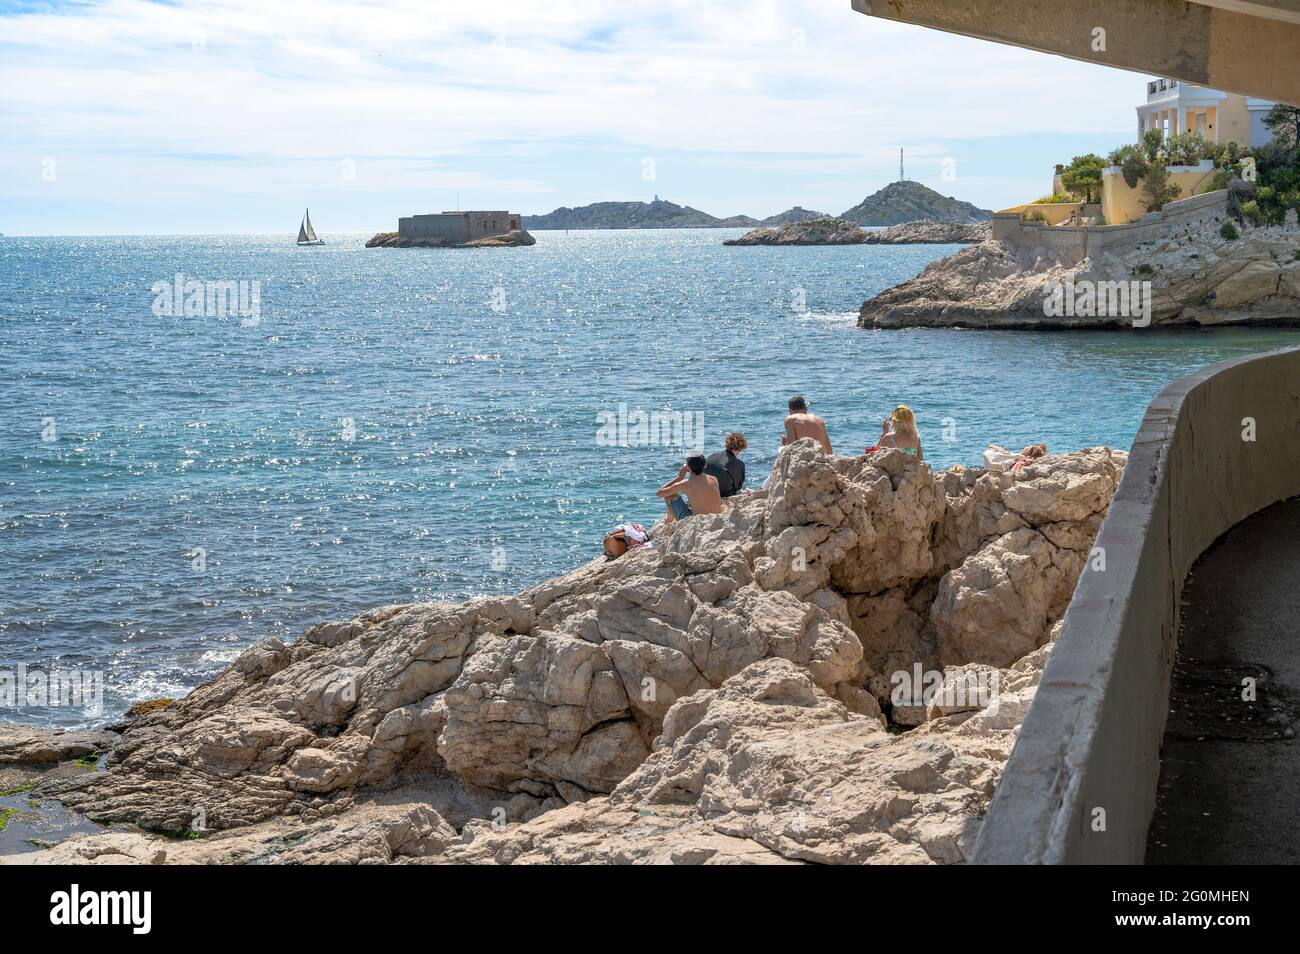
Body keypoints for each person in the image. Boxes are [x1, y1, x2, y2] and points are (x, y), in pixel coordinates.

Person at [656, 454, 722, 522]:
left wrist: (679, 478)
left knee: (669, 496)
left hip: (699, 522)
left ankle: (668, 521)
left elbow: (659, 493)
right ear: (705, 465)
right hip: (716, 519)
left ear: (688, 467)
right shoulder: (713, 479)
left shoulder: (685, 484)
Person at [704, 432, 747, 498]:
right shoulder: (739, 464)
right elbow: (738, 486)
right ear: (741, 447)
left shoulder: (712, 456)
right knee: (743, 490)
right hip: (722, 495)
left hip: (704, 492)